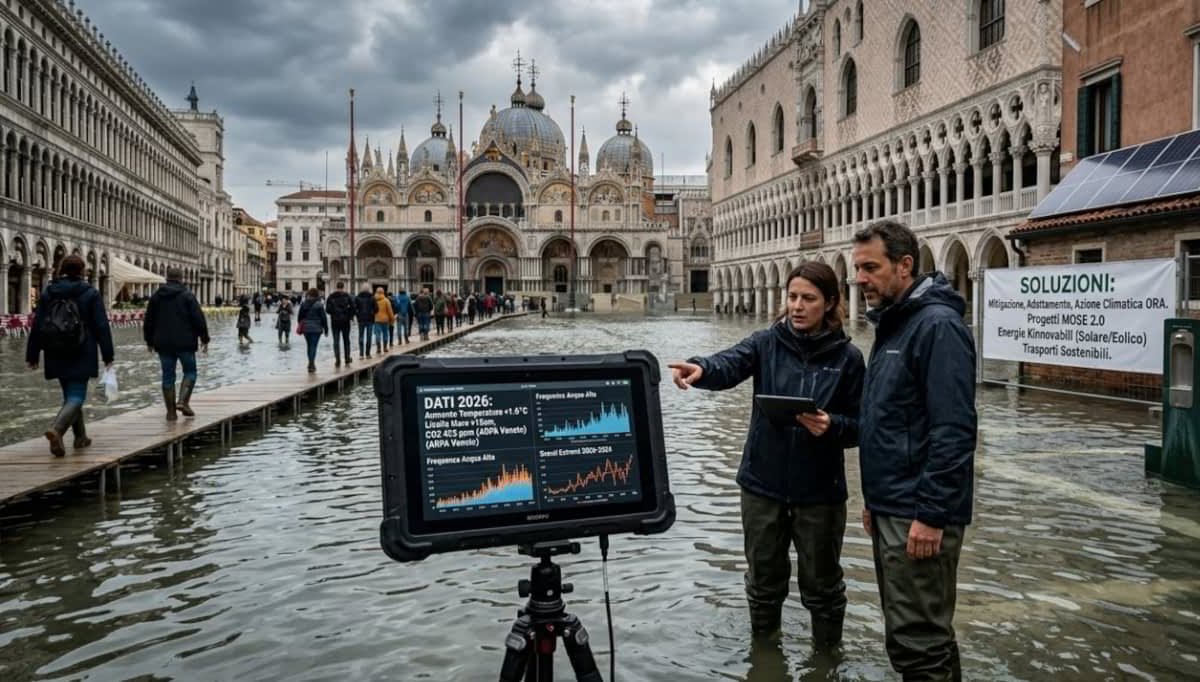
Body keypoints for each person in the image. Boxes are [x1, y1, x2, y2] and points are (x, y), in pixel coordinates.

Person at [668, 261, 864, 646]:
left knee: (823, 588)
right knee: (762, 584)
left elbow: (863, 425)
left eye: (808, 298)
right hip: (762, 486)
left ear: (829, 303)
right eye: (792, 297)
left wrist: (833, 426)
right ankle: (765, 656)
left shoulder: (849, 359)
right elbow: (729, 363)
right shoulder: (766, 343)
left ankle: (826, 661)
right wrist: (701, 369)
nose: (797, 306)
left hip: (819, 494)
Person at [852, 221, 976, 681]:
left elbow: (954, 430)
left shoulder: (937, 327)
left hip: (917, 513)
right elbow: (889, 422)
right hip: (895, 506)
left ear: (905, 265)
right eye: (857, 268)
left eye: (870, 267)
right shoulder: (898, 324)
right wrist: (875, 501)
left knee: (917, 644)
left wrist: (931, 514)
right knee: (919, 637)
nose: (860, 279)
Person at [25, 255, 115, 456]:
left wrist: (32, 354)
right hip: (82, 349)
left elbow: (38, 324)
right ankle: (57, 429)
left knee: (70, 395)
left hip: (55, 349)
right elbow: (101, 326)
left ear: (61, 270)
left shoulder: (49, 292)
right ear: (82, 271)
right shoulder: (90, 293)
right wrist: (108, 355)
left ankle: (80, 438)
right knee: (76, 396)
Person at [144, 266, 211, 421]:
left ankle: (171, 413)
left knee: (168, 376)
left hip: (163, 343)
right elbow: (198, 319)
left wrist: (149, 340)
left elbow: (148, 321)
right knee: (190, 372)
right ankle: (183, 401)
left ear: (167, 278)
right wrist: (204, 338)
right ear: (181, 279)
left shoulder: (156, 297)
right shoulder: (187, 296)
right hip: (185, 342)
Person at [296, 288, 329, 373]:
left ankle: (310, 363)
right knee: (313, 346)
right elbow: (323, 318)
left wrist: (301, 324)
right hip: (316, 328)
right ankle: (312, 363)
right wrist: (326, 329)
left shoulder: (303, 304)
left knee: (309, 345)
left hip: (306, 328)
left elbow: (299, 317)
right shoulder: (319, 305)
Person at [325, 281, 356, 367]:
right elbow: (353, 307)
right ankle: (347, 358)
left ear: (336, 287)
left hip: (335, 321)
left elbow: (327, 310)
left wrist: (334, 313)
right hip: (345, 321)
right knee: (346, 340)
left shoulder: (331, 297)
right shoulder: (347, 296)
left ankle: (337, 360)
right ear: (343, 287)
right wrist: (349, 316)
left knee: (336, 341)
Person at [373, 286, 396, 354]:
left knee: (377, 335)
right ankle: (385, 348)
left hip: (377, 320)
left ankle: (378, 348)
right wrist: (392, 319)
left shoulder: (373, 300)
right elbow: (390, 311)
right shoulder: (386, 300)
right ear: (383, 292)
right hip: (385, 320)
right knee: (385, 334)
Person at [355, 286, 376, 358]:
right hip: (370, 319)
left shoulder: (357, 298)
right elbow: (376, 308)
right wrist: (372, 313)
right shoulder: (372, 298)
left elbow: (355, 308)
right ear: (369, 290)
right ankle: (368, 354)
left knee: (361, 336)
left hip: (361, 320)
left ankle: (361, 354)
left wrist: (358, 315)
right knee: (369, 337)